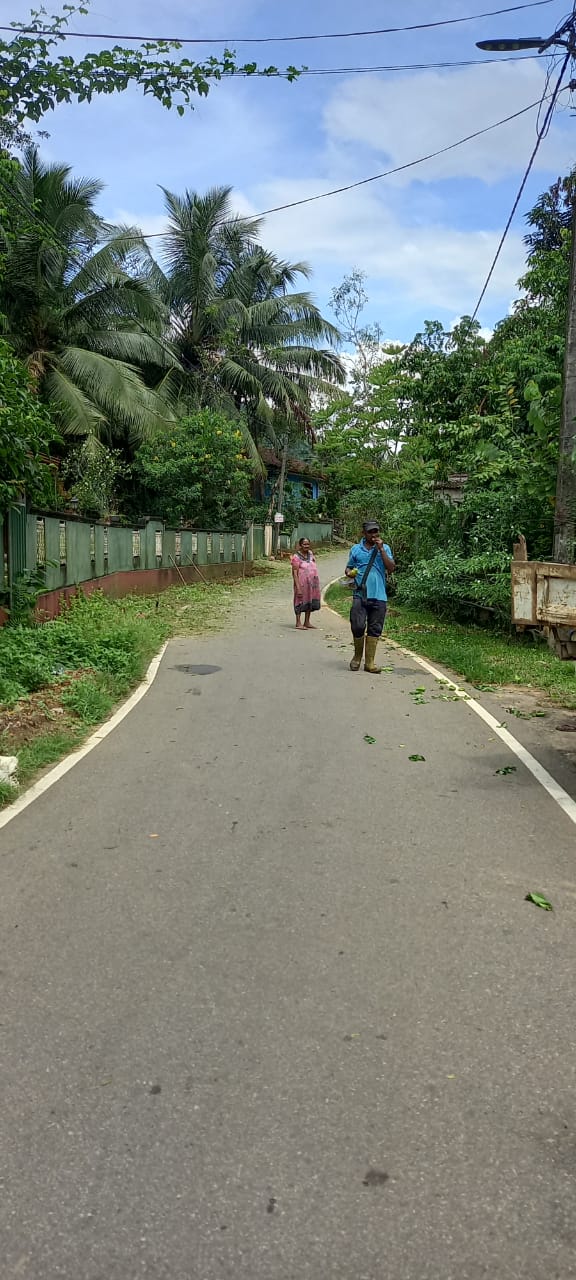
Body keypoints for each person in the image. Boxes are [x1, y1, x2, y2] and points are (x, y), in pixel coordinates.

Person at [345, 520, 395, 673]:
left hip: (379, 595)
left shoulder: (385, 548)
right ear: (364, 533)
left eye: (376, 531)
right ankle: (357, 656)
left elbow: (391, 568)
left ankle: (370, 663)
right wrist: (349, 573)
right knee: (357, 625)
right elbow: (348, 567)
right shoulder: (355, 549)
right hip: (360, 594)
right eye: (370, 532)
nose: (374, 535)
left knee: (375, 628)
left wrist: (381, 550)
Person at [291, 537, 321, 629]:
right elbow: (294, 573)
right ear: (300, 545)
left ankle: (307, 622)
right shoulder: (296, 557)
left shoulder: (311, 554)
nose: (306, 546)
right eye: (304, 544)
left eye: (308, 544)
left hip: (312, 584)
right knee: (299, 601)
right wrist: (298, 587)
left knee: (310, 601)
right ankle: (298, 623)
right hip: (302, 584)